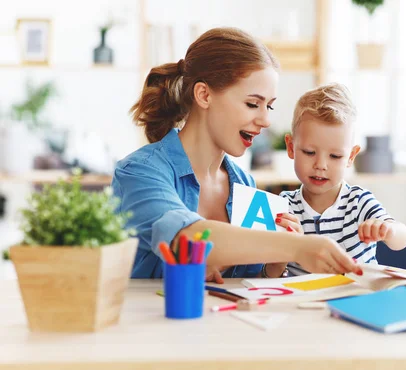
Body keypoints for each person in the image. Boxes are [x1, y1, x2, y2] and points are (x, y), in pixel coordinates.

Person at [112, 28, 361, 280]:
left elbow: (248, 283)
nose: (265, 120)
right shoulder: (140, 172)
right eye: (253, 104)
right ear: (204, 95)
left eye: (269, 106)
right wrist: (297, 247)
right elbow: (187, 239)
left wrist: (275, 265)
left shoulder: (243, 184)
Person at [280, 83, 406, 274]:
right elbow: (268, 273)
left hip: (356, 299)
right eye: (309, 152)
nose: (321, 165)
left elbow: (402, 239)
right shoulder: (282, 207)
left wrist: (388, 230)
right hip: (302, 302)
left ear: (351, 157)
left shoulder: (359, 202)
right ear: (291, 148)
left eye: (335, 156)